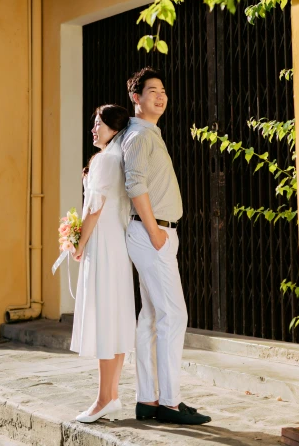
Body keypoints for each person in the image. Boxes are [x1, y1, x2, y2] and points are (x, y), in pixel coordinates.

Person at [122, 67, 211, 425]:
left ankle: (149, 400)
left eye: (163, 91)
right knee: (174, 315)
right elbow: (134, 183)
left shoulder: (145, 133)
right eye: (152, 90)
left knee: (153, 317)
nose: (160, 96)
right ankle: (171, 403)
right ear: (136, 97)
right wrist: (155, 231)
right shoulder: (141, 136)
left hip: (152, 233)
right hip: (152, 233)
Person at [70, 104, 135, 424]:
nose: (93, 129)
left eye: (99, 124)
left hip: (103, 247)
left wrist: (78, 242)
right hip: (114, 245)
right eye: (93, 124)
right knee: (114, 318)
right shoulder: (117, 158)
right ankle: (110, 396)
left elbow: (93, 208)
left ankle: (104, 398)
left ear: (114, 127)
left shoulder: (107, 160)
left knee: (105, 319)